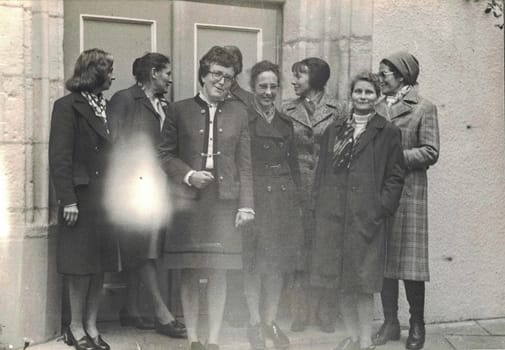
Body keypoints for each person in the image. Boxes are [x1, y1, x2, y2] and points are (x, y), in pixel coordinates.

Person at [158, 46, 255, 350]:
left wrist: (246, 205)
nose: (222, 81)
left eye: (228, 77)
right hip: (189, 199)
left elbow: (245, 162)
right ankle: (194, 340)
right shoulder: (178, 110)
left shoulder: (240, 112)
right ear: (203, 75)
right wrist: (189, 176)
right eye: (216, 74)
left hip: (224, 200)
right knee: (190, 270)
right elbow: (164, 155)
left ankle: (212, 341)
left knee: (218, 270)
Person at [311, 72, 405, 350]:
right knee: (339, 280)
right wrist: (320, 207)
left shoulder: (387, 132)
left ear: (377, 97)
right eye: (358, 92)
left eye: (368, 92)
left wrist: (380, 208)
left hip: (366, 220)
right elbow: (323, 172)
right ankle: (352, 335)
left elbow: (395, 176)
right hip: (334, 218)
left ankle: (365, 340)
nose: (362, 97)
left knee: (363, 283)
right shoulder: (335, 129)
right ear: (350, 95)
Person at [107, 53, 186, 338]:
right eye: (167, 73)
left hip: (158, 188)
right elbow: (113, 144)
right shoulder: (124, 99)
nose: (170, 78)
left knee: (144, 248)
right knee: (144, 250)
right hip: (133, 188)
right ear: (153, 73)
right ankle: (162, 314)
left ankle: (130, 309)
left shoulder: (164, 105)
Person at [49, 48, 117, 350]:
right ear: (95, 72)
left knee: (100, 264)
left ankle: (91, 324)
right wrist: (68, 200)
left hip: (106, 199)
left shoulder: (107, 107)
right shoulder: (67, 106)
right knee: (79, 267)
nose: (113, 76)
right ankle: (74, 327)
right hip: (82, 199)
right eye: (109, 70)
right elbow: (60, 158)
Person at [372, 52, 440, 350]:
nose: (380, 76)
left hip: (409, 194)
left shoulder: (424, 107)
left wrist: (394, 158)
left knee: (410, 265)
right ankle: (390, 322)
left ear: (402, 76)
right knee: (384, 260)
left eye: (385, 72)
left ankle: (416, 323)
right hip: (379, 194)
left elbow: (430, 151)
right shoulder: (374, 107)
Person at [243, 60, 304, 350]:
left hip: (282, 200)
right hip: (256, 199)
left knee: (277, 265)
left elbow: (293, 166)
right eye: (262, 86)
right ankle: (255, 322)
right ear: (253, 88)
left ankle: (270, 320)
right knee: (254, 264)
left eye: (273, 86)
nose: (268, 92)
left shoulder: (285, 122)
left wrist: (298, 200)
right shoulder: (245, 120)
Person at [282, 57, 346, 333]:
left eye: (300, 76)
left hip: (327, 192)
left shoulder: (339, 110)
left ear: (316, 79)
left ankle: (325, 312)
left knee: (326, 251)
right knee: (298, 250)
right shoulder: (286, 109)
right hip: (296, 192)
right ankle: (299, 312)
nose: (294, 81)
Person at [222, 45, 253, 328]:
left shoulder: (247, 100)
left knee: (242, 248)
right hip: (217, 185)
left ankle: (238, 305)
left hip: (241, 182)